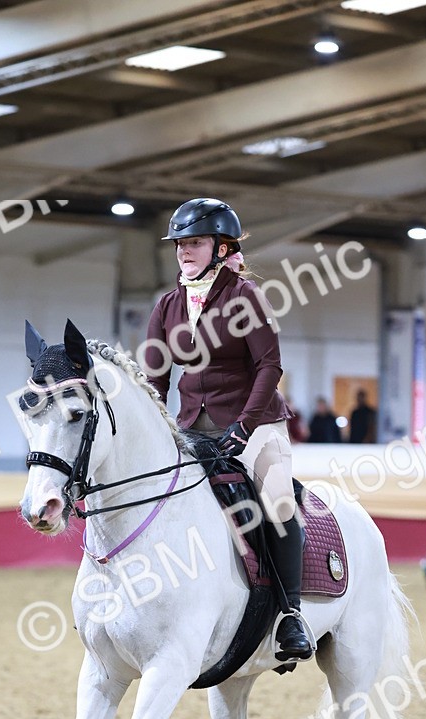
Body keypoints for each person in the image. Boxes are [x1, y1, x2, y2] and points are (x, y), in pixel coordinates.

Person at [144, 197, 312, 662]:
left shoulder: (244, 297)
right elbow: (155, 377)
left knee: (277, 498)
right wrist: (153, 424)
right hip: (191, 426)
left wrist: (244, 425)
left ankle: (291, 614)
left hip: (256, 423)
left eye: (194, 243)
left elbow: (269, 365)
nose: (184, 251)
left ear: (221, 248)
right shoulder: (168, 305)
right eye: (180, 244)